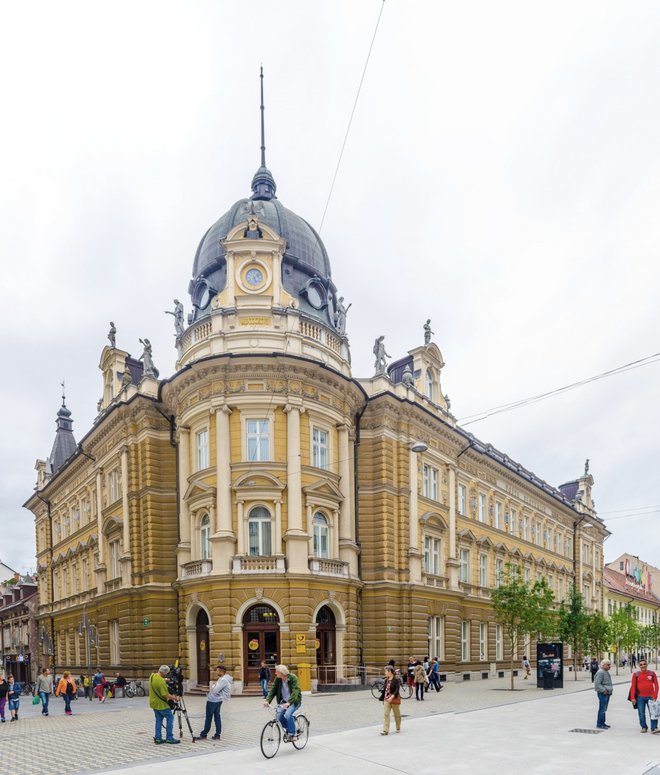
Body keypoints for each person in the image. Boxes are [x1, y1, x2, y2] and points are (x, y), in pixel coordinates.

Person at [264, 664, 302, 742]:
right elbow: (273, 690)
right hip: (284, 701)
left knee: (288, 714)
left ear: (281, 672)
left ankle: (292, 733)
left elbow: (295, 691)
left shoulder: (293, 678)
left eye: (276, 672)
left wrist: (289, 702)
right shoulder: (278, 679)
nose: (275, 673)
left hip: (294, 701)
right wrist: (267, 700)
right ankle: (289, 729)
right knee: (279, 715)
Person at [148, 665, 180, 745]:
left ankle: (158, 738)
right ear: (165, 673)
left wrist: (166, 680)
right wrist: (175, 698)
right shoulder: (161, 682)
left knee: (158, 720)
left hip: (153, 703)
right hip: (161, 704)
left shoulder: (152, 676)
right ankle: (169, 738)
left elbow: (158, 680)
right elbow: (165, 695)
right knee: (170, 717)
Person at [199, 665, 232, 740]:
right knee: (217, 717)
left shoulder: (223, 680)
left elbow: (215, 690)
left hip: (213, 700)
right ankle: (217, 734)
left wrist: (213, 686)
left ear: (221, 671)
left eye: (217, 670)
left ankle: (204, 734)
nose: (216, 672)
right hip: (218, 700)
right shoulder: (224, 679)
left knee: (209, 718)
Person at [630, 658, 659, 733]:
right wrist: (633, 698)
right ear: (639, 666)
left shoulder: (652, 673)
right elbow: (633, 687)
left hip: (651, 697)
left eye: (644, 664)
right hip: (640, 697)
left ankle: (654, 728)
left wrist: (655, 696)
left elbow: (656, 685)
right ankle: (644, 727)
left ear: (647, 665)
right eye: (641, 664)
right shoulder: (635, 675)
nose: (643, 666)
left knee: (653, 713)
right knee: (641, 713)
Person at [379, 665, 401, 735]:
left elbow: (397, 690)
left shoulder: (396, 680)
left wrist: (391, 697)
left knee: (397, 715)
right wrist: (383, 697)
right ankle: (385, 730)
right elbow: (385, 690)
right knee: (386, 714)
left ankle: (398, 727)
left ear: (389, 672)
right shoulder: (386, 680)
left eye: (385, 671)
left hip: (393, 699)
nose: (385, 672)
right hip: (386, 700)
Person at [594, 659, 613, 729]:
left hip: (607, 693)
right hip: (603, 694)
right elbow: (597, 684)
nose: (609, 666)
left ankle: (603, 723)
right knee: (602, 709)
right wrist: (604, 690)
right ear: (603, 665)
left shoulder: (605, 672)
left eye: (609, 664)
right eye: (608, 665)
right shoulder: (600, 672)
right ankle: (599, 724)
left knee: (604, 709)